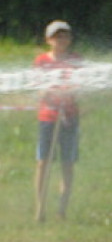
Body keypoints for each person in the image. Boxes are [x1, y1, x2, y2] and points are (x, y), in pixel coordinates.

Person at [33, 20, 82, 222]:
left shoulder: (77, 60)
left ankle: (62, 209)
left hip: (69, 118)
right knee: (43, 162)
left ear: (69, 39)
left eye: (65, 36)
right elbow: (37, 87)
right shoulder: (42, 61)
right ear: (48, 40)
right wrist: (50, 93)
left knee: (67, 163)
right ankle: (40, 208)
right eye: (56, 36)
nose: (61, 40)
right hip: (48, 117)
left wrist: (72, 93)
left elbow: (82, 85)